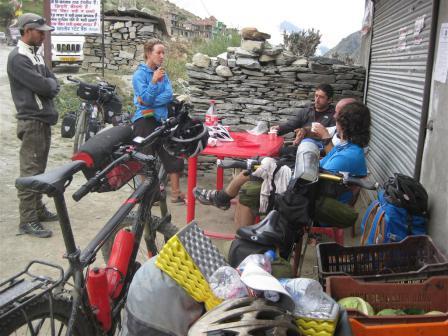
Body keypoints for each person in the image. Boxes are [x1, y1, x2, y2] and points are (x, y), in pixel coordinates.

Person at [194, 101, 371, 228]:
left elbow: (317, 183)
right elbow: (321, 168)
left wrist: (283, 171)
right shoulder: (347, 147)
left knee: (250, 188)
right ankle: (225, 201)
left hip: (315, 201)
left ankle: (246, 243)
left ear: (346, 124)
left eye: (338, 118)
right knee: (259, 169)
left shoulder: (348, 154)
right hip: (315, 191)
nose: (334, 118)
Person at [7, 13, 60, 238]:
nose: (43, 37)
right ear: (27, 30)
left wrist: (48, 84)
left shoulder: (35, 55)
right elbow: (47, 87)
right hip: (32, 121)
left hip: (42, 120)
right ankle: (27, 219)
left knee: (38, 169)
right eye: (41, 32)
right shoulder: (18, 58)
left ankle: (37, 209)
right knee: (30, 170)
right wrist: (48, 84)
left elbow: (52, 81)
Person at [132, 38, 185, 203]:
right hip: (145, 118)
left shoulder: (163, 73)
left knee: (173, 152)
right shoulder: (139, 75)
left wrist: (145, 100)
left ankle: (176, 193)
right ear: (149, 53)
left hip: (162, 118)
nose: (162, 56)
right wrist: (153, 82)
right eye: (158, 52)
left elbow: (168, 95)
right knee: (144, 155)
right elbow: (145, 101)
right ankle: (149, 193)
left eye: (163, 53)